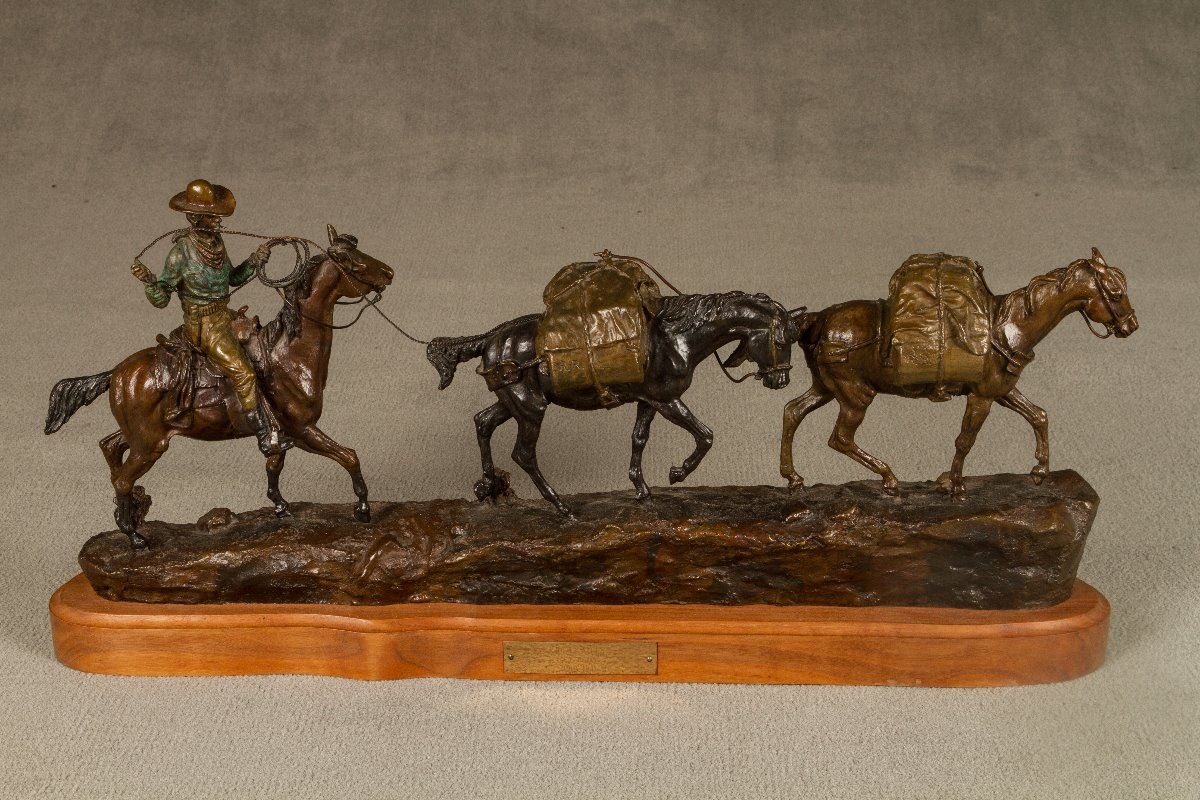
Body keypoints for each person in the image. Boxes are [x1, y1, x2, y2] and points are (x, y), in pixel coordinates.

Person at [130, 179, 290, 455]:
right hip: (203, 326)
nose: (218, 220)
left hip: (225, 316)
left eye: (217, 215)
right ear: (195, 218)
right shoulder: (180, 253)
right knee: (244, 372)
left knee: (265, 351)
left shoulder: (216, 243)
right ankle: (265, 436)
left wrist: (255, 260)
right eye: (212, 216)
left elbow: (233, 278)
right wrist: (149, 281)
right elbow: (161, 299)